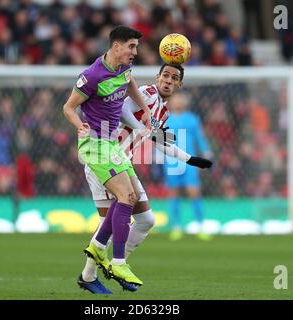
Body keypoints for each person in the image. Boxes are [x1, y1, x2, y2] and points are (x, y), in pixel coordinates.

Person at [78, 63, 212, 294]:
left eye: (174, 78)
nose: (168, 80)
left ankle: (102, 270)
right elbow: (119, 110)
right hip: (107, 160)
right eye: (165, 75)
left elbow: (159, 139)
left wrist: (190, 159)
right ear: (157, 77)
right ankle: (105, 269)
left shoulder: (164, 110)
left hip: (122, 163)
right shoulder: (147, 94)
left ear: (179, 84)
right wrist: (142, 127)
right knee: (111, 223)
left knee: (146, 220)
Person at [62, 25, 152, 294]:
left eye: (136, 46)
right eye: (131, 47)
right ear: (116, 46)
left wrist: (145, 108)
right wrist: (79, 124)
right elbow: (68, 107)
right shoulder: (91, 76)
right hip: (94, 144)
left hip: (111, 144)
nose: (135, 52)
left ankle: (96, 248)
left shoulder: (123, 69)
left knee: (130, 196)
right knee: (126, 198)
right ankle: (118, 262)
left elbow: (130, 82)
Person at [163, 92, 213, 241]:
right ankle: (176, 227)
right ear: (170, 102)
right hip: (171, 162)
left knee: (194, 192)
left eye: (180, 99)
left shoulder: (192, 119)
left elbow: (200, 138)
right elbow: (159, 141)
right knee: (173, 193)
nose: (178, 102)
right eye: (175, 99)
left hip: (189, 161)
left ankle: (200, 226)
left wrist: (206, 153)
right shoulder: (165, 119)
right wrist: (157, 158)